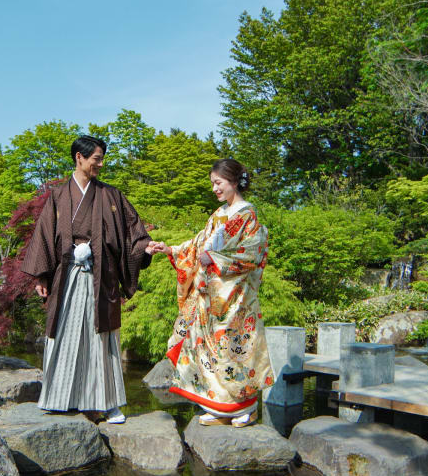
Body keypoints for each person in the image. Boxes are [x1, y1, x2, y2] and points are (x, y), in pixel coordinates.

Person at [21, 135, 154, 424]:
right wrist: (42, 276)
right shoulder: (58, 196)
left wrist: (145, 246)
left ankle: (108, 403)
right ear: (79, 158)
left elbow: (134, 231)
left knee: (101, 338)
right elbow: (44, 236)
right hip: (67, 276)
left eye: (102, 158)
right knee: (65, 335)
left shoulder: (111, 196)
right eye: (97, 159)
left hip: (100, 277)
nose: (101, 164)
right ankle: (61, 398)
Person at [146, 158, 274, 427]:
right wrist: (170, 249)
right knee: (209, 351)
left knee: (235, 351)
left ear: (234, 182)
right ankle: (217, 406)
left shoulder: (247, 215)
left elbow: (251, 255)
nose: (215, 189)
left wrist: (214, 259)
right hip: (209, 297)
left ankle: (246, 408)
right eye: (213, 184)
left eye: (218, 183)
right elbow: (197, 245)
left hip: (235, 297)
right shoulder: (218, 215)